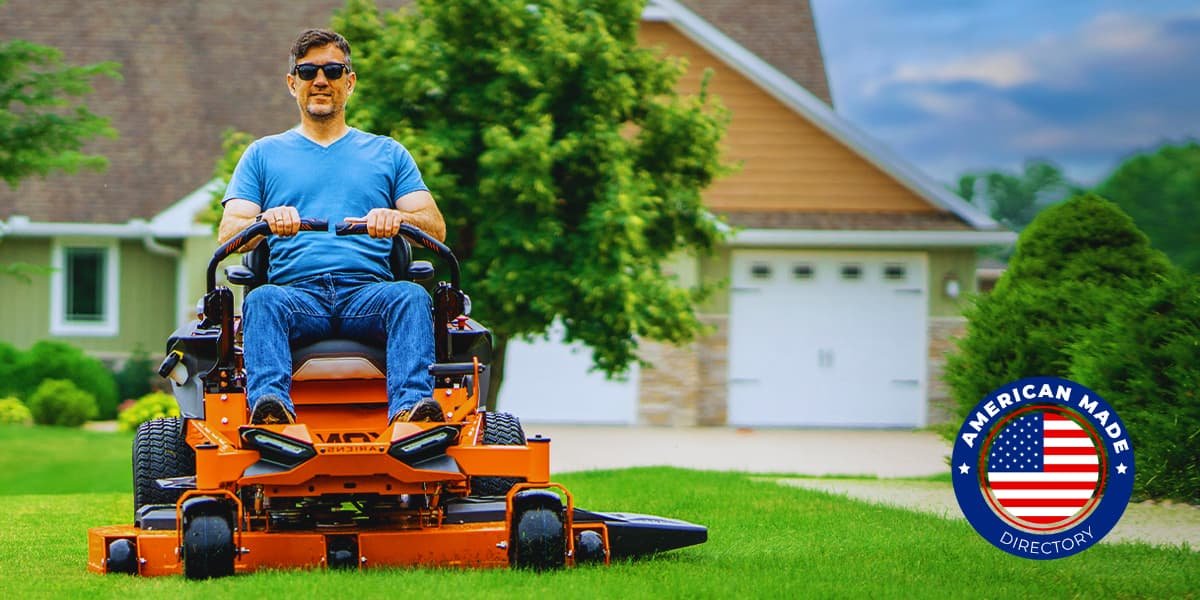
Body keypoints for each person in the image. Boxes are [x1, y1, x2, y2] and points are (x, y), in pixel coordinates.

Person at [217, 28, 446, 426]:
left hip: (368, 294)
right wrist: (265, 221)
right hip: (295, 297)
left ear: (349, 82)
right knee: (261, 300)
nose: (320, 81)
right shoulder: (262, 155)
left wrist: (399, 219)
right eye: (307, 72)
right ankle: (271, 412)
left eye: (332, 70)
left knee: (410, 295)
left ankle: (411, 412)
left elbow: (434, 227)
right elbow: (228, 233)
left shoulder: (388, 153)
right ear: (293, 84)